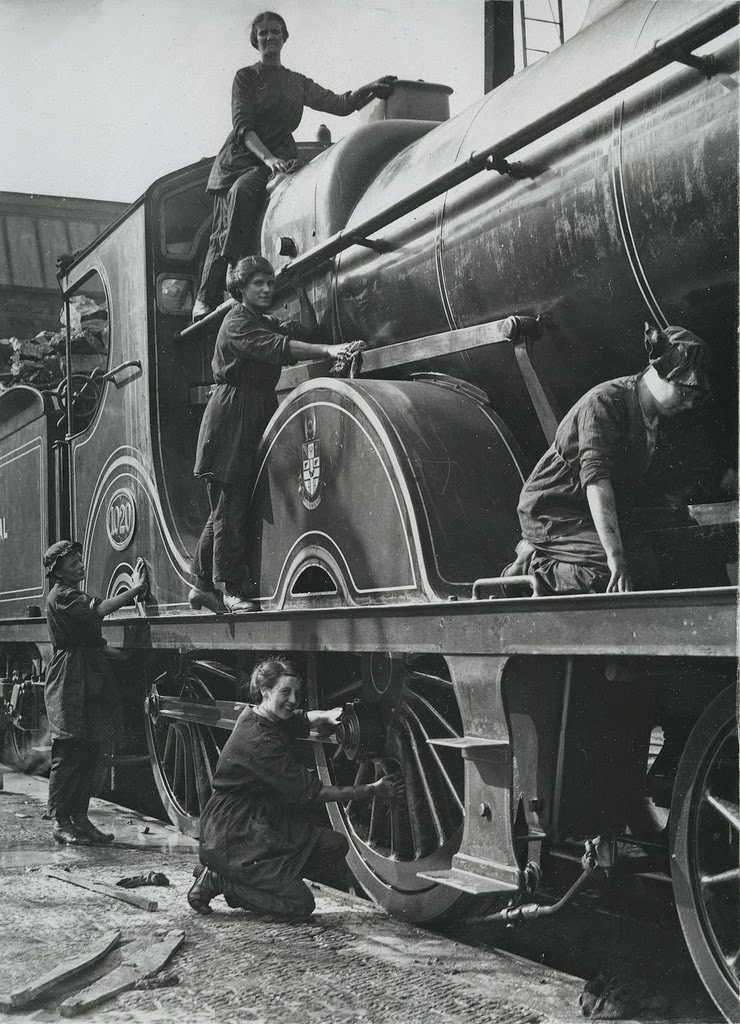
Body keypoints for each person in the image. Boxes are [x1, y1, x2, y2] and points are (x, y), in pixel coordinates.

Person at [192, 9, 396, 321]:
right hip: (243, 159)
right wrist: (268, 159)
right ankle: (206, 298)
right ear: (255, 40)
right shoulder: (245, 77)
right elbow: (242, 126)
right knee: (241, 197)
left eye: (275, 32)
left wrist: (371, 87)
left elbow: (339, 103)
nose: (270, 37)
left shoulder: (295, 82)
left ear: (284, 38)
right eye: (263, 33)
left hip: (280, 156)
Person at [189, 255, 351, 614]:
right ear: (241, 288)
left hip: (254, 410)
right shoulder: (237, 323)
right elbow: (280, 348)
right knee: (229, 508)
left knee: (228, 507)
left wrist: (297, 286)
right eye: (258, 284)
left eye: (269, 284)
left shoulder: (261, 320)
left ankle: (201, 586)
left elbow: (304, 329)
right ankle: (229, 590)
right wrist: (329, 350)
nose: (266, 290)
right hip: (232, 417)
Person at [503, 324, 715, 595]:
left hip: (588, 514)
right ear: (658, 370)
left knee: (649, 567)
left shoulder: (657, 416)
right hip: (554, 509)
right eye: (684, 392)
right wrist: (615, 556)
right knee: (609, 571)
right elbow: (596, 482)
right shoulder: (605, 402)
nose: (687, 404)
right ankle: (532, 564)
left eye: (693, 398)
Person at [187, 658, 404, 920]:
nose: (293, 700)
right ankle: (223, 880)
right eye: (285, 692)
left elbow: (297, 719)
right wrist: (372, 789)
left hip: (258, 822)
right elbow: (315, 793)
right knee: (299, 905)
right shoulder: (260, 742)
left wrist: (322, 715)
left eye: (296, 693)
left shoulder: (258, 715)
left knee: (335, 845)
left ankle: (255, 878)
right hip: (234, 833)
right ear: (265, 691)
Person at [42, 541, 148, 845]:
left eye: (79, 560)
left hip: (89, 670)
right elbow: (100, 610)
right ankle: (61, 821)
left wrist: (120, 654)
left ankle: (80, 818)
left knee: (90, 750)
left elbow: (91, 641)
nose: (79, 565)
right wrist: (136, 589)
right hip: (70, 678)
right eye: (72, 562)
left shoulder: (70, 593)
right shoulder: (62, 596)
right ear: (58, 571)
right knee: (68, 750)